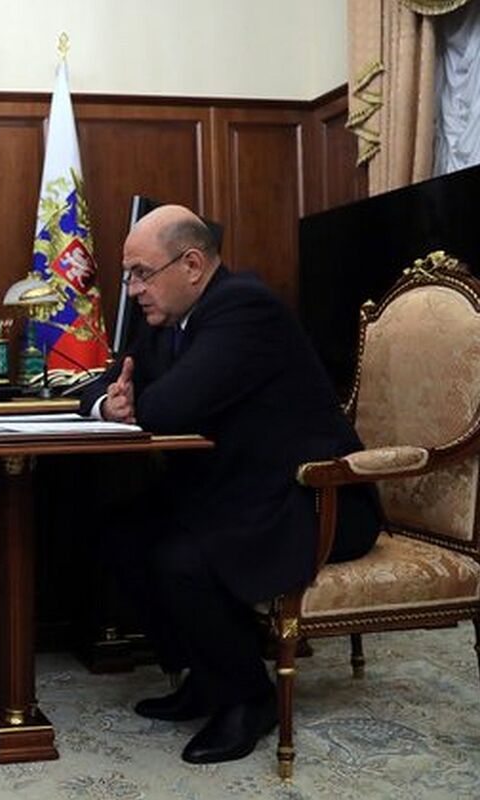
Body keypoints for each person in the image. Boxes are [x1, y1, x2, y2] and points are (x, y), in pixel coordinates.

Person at [79, 204, 381, 764]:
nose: (133, 290)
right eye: (129, 276)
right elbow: (104, 383)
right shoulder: (167, 316)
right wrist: (108, 403)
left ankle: (248, 699)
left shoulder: (245, 307)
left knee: (180, 557)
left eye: (141, 274)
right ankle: (206, 674)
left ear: (192, 265)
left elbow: (171, 407)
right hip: (238, 490)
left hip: (315, 498)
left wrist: (136, 402)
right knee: (122, 534)